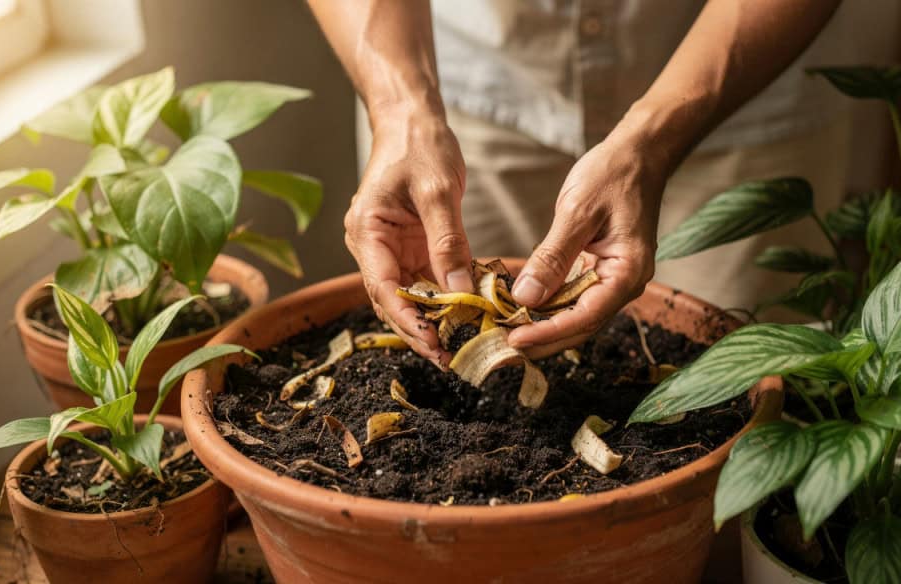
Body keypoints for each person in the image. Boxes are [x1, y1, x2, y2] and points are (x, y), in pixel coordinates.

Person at [307, 0, 855, 367]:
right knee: (453, 351)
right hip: (467, 76)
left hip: (743, 79)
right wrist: (402, 110)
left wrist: (653, 142)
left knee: (737, 378)